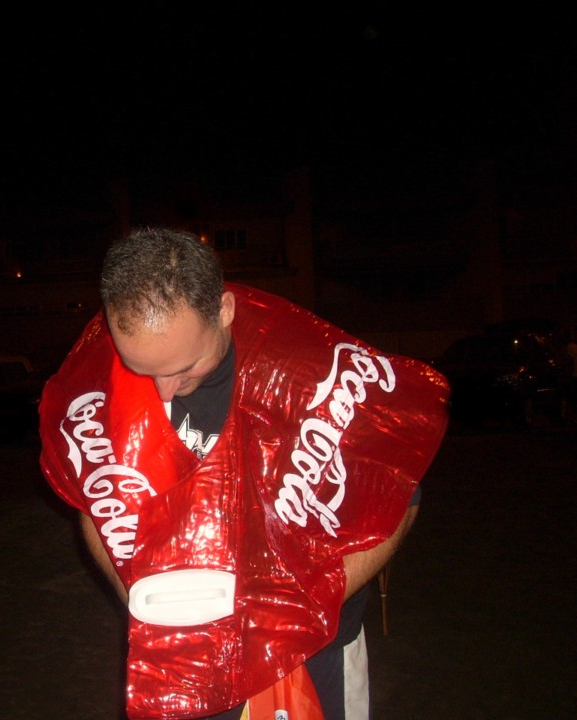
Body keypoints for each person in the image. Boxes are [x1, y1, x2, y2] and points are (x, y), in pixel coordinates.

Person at [38, 228, 450, 719]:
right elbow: (98, 501)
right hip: (181, 656)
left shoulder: (311, 375)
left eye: (185, 367)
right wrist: (137, 598)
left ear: (224, 311)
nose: (164, 390)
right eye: (142, 369)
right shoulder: (105, 384)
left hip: (310, 654)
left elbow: (402, 502)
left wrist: (296, 611)